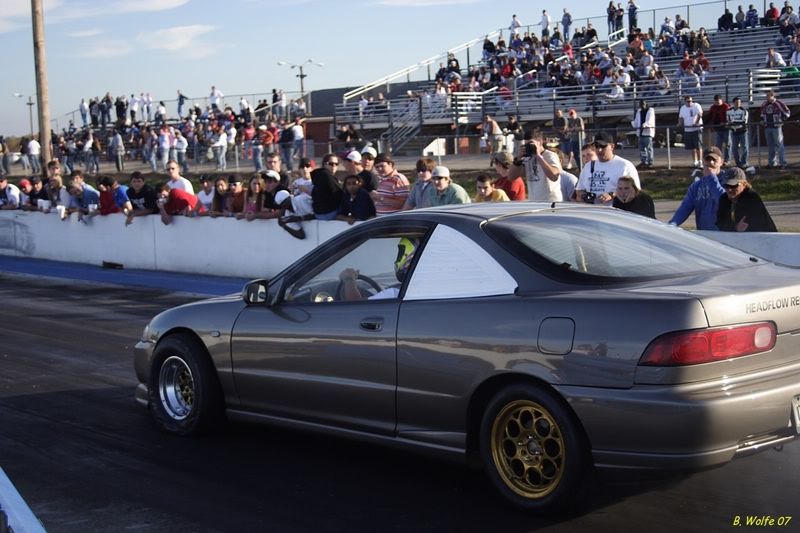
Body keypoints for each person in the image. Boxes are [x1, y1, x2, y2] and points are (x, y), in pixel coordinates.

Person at [339, 236, 419, 301]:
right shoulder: (418, 292)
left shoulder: (395, 294)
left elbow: (355, 305)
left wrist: (349, 279)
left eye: (401, 252)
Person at [669, 147, 726, 230]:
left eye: (715, 160)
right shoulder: (696, 186)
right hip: (703, 234)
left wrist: (711, 177)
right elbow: (684, 208)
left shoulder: (728, 182)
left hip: (723, 234)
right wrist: (672, 224)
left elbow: (723, 201)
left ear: (721, 162)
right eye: (708, 159)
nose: (711, 162)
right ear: (703, 161)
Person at [576, 132, 639, 205]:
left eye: (603, 146)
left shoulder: (625, 165)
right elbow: (579, 190)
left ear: (612, 146)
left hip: (617, 211)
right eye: (597, 146)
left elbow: (635, 190)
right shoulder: (588, 166)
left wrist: (612, 195)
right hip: (592, 212)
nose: (599, 150)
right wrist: (585, 195)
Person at [716, 167, 778, 232]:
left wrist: (734, 229)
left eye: (733, 185)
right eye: (726, 185)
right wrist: (735, 228)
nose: (729, 189)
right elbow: (720, 223)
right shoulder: (724, 199)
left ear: (744, 184)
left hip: (762, 238)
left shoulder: (751, 198)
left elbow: (758, 225)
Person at [512, 129, 562, 202]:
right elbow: (511, 177)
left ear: (540, 142)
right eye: (526, 145)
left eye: (530, 144)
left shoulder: (550, 155)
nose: (528, 147)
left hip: (551, 202)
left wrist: (539, 156)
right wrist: (518, 159)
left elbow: (554, 176)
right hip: (534, 202)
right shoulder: (527, 158)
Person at [760, 89, 790, 167]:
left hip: (776, 127)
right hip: (767, 127)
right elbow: (762, 114)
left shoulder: (779, 103)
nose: (767, 98)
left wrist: (781, 120)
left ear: (772, 96)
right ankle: (772, 163)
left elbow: (787, 113)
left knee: (779, 145)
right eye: (766, 96)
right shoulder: (764, 104)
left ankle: (782, 162)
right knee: (770, 146)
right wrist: (762, 120)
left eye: (768, 96)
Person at [311, 153, 343, 220]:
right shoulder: (327, 176)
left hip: (318, 214)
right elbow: (340, 194)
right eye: (331, 164)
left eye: (336, 164)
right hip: (328, 214)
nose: (334, 166)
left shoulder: (318, 175)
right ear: (324, 164)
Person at [678, 96, 704, 167]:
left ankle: (700, 161)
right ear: (685, 101)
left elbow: (700, 114)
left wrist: (696, 123)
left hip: (696, 129)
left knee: (698, 146)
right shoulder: (683, 108)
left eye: (691, 101)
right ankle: (695, 161)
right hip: (688, 129)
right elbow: (681, 117)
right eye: (688, 101)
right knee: (692, 147)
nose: (690, 102)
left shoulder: (696, 105)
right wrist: (679, 123)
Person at [727, 96, 750, 168]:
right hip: (734, 131)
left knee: (745, 147)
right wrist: (732, 124)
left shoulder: (744, 111)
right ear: (733, 103)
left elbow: (743, 122)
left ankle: (744, 162)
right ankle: (738, 162)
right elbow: (728, 121)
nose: (738, 104)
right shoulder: (729, 111)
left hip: (742, 131)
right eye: (736, 102)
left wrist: (734, 123)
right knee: (734, 148)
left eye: (739, 102)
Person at [631, 100, 655, 168]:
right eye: (641, 104)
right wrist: (633, 124)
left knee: (648, 147)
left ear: (646, 104)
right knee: (642, 148)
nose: (642, 105)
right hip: (640, 132)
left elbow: (650, 120)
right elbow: (636, 121)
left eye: (643, 104)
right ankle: (644, 161)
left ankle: (650, 162)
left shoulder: (650, 110)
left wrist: (644, 125)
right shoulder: (639, 112)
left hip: (647, 132)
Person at [708, 95, 732, 165]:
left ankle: (727, 160)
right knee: (718, 145)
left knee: (728, 144)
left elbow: (729, 117)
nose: (717, 103)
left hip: (726, 129)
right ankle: (718, 159)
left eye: (718, 101)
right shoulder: (713, 107)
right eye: (716, 102)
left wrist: (724, 122)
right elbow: (710, 116)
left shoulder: (726, 107)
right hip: (717, 129)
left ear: (721, 100)